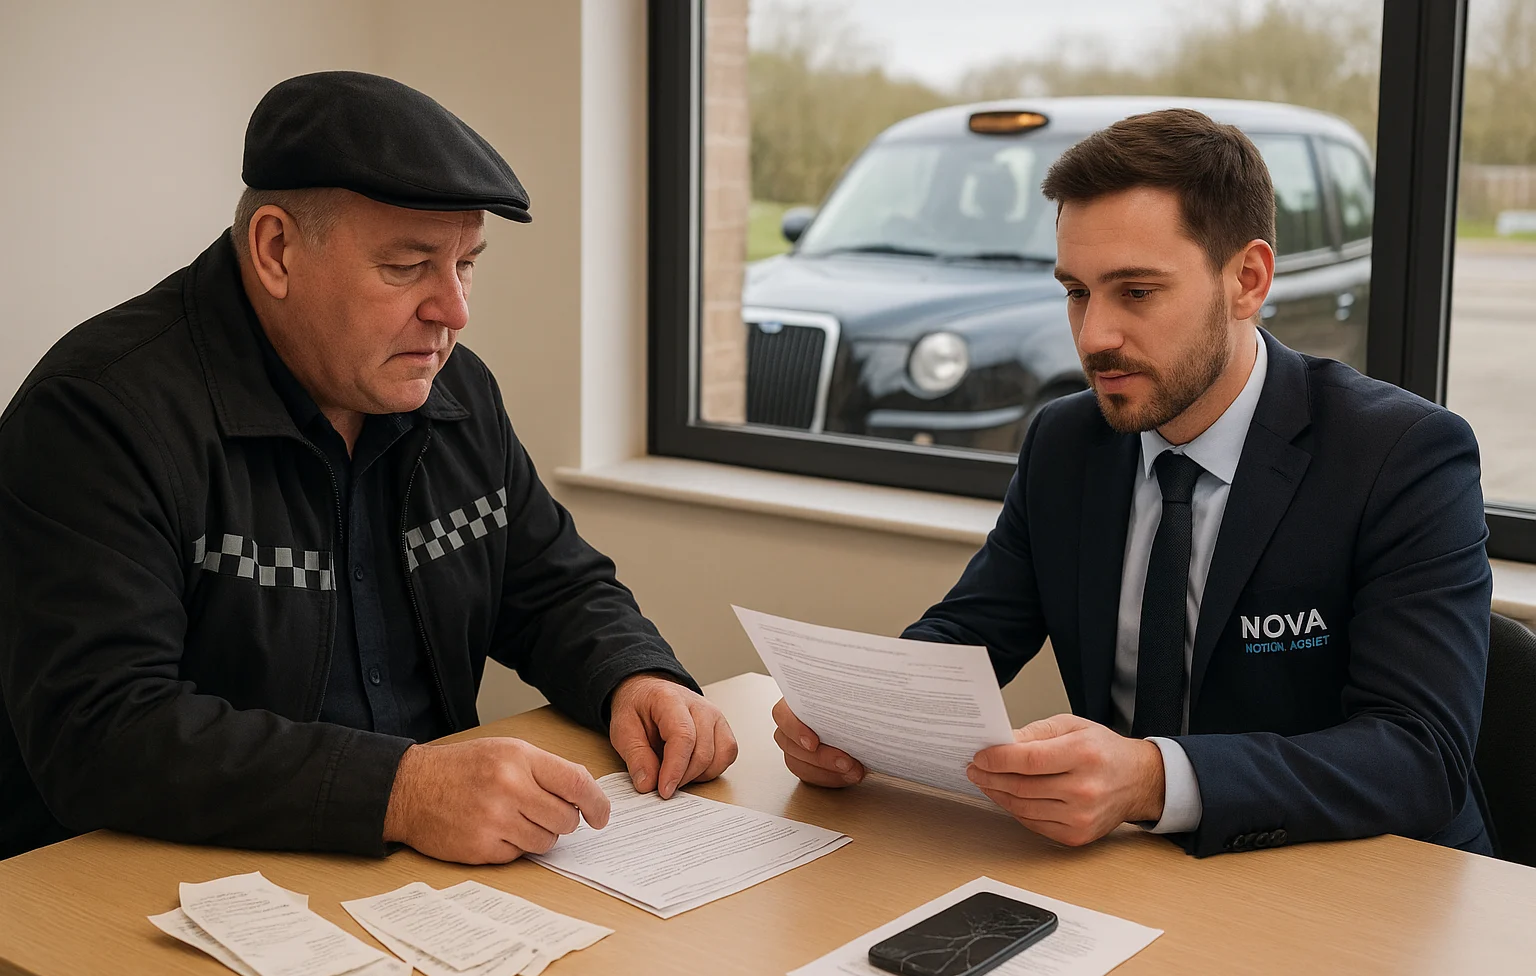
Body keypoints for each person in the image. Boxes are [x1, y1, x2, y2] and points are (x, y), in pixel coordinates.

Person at [0, 71, 737, 864]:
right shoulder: (97, 416)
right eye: (407, 266)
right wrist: (405, 789)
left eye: (467, 265)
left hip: (407, 880)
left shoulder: (455, 390)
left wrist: (635, 676)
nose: (452, 310)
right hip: (144, 893)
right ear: (276, 250)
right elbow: (103, 731)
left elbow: (553, 587)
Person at [772, 108, 1492, 857]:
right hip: (1128, 875)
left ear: (1247, 280)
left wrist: (1152, 779)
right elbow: (969, 636)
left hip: (1361, 883)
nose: (1093, 338)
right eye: (1077, 292)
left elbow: (1418, 754)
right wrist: (857, 715)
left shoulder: (1401, 454)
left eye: (1136, 293)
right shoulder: (1066, 442)